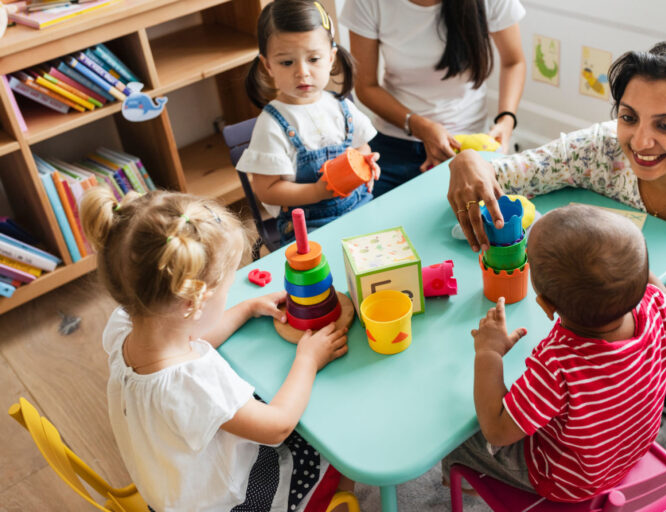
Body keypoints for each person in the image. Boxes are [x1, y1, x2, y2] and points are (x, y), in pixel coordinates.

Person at [447, 40, 666, 491]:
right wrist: (467, 159)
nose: (640, 142)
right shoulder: (603, 148)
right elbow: (510, 173)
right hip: (621, 317)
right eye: (628, 116)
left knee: (476, 403)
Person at [80, 187, 353, 511]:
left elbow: (191, 340)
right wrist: (307, 361)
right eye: (226, 290)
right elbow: (276, 426)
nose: (229, 297)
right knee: (334, 447)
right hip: (224, 502)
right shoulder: (193, 384)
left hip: (172, 485)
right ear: (193, 302)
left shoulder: (126, 326)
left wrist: (247, 308)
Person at [442, 204, 666, 501]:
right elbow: (656, 289)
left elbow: (497, 430)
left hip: (569, 482)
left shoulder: (558, 364)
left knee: (458, 434)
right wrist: (625, 265)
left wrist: (489, 353)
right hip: (629, 450)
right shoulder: (656, 304)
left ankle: (465, 483)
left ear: (547, 306)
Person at [341, 0, 526, 197]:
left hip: (467, 145)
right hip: (394, 143)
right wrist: (421, 127)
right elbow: (366, 86)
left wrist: (506, 120)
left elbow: (514, 62)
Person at [238, 0, 380, 245]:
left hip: (360, 206)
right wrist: (316, 191)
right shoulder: (272, 125)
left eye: (313, 59)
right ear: (268, 65)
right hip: (308, 227)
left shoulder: (342, 107)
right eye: (287, 62)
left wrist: (364, 161)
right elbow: (266, 189)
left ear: (331, 57)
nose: (302, 72)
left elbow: (362, 147)